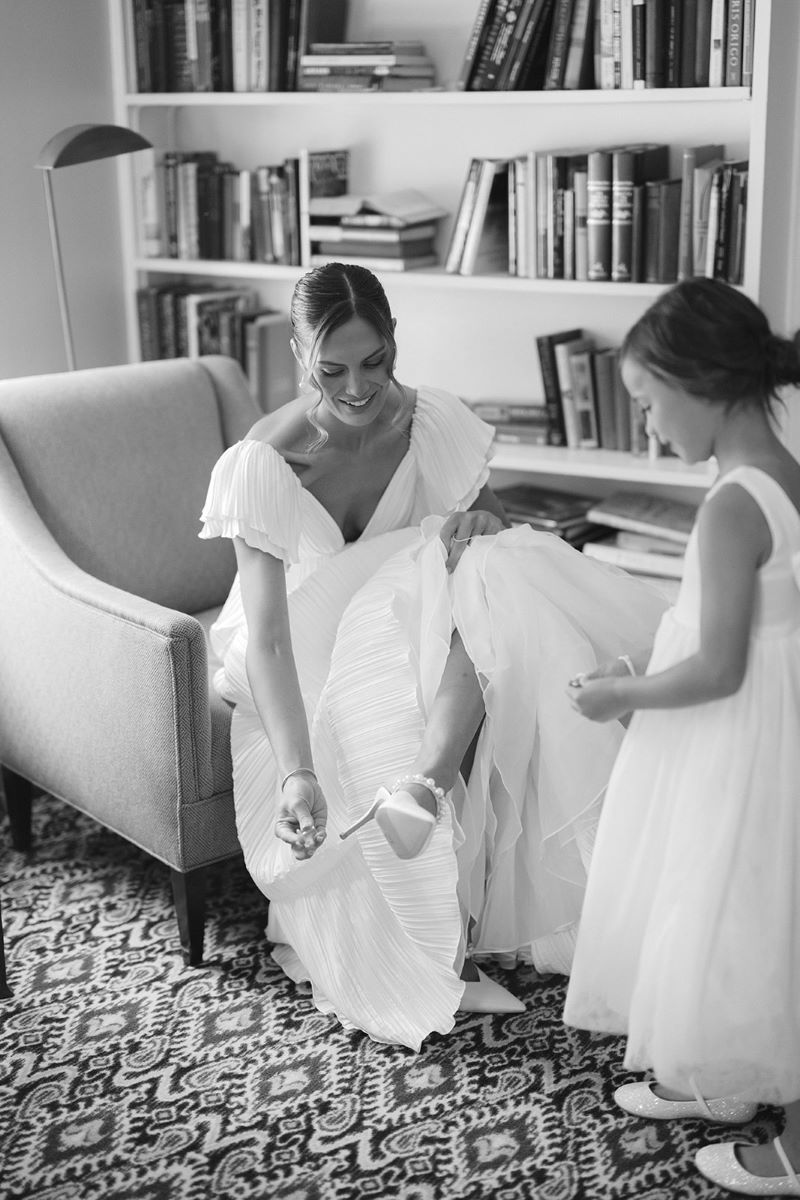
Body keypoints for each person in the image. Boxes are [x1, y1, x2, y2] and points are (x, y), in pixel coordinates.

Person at [199, 262, 666, 1052]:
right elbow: (271, 638)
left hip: (403, 619)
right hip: (301, 642)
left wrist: (478, 528)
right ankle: (419, 807)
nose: (357, 388)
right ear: (297, 350)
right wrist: (297, 772)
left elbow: (492, 527)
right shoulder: (264, 461)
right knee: (441, 586)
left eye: (375, 361)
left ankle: (423, 783)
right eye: (332, 368)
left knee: (494, 568)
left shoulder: (429, 420)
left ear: (393, 344)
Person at [563, 278, 800, 1195]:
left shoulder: (732, 504)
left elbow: (720, 668)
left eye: (650, 405)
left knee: (741, 900)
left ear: (697, 383)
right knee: (732, 899)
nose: (652, 427)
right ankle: (723, 1072)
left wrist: (624, 694)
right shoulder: (781, 478)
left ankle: (785, 1152)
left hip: (733, 736)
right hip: (758, 734)